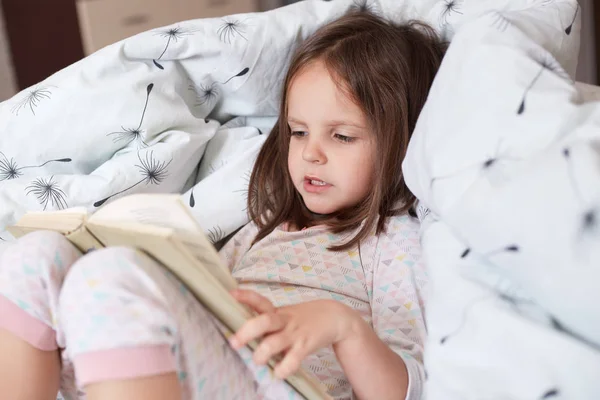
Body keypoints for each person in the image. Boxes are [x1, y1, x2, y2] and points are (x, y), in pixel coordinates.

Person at [0, 9, 445, 400]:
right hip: (201, 366)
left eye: (342, 136)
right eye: (298, 131)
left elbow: (413, 388)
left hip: (284, 385)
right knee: (36, 257)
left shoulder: (391, 241)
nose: (311, 153)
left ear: (401, 143)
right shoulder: (264, 225)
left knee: (110, 279)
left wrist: (343, 327)